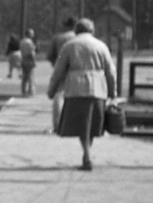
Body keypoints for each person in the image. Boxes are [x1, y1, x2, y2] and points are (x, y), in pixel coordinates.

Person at [47, 18, 119, 171]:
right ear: (92, 31)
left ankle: (86, 155)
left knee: (82, 124)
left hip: (76, 88)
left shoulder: (69, 46)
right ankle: (87, 153)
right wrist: (113, 92)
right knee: (91, 124)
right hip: (98, 89)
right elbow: (111, 72)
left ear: (76, 30)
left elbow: (58, 70)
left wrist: (52, 89)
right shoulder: (101, 46)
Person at [47, 17, 77, 128]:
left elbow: (50, 55)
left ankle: (57, 123)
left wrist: (55, 64)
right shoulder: (77, 37)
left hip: (61, 66)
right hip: (76, 68)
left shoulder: (57, 38)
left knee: (59, 94)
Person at [18, 29, 37, 96]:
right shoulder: (30, 42)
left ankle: (23, 91)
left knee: (25, 76)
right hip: (29, 59)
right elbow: (32, 52)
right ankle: (31, 91)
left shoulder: (22, 41)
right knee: (30, 76)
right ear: (29, 34)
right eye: (32, 33)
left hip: (23, 59)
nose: (33, 35)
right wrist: (34, 61)